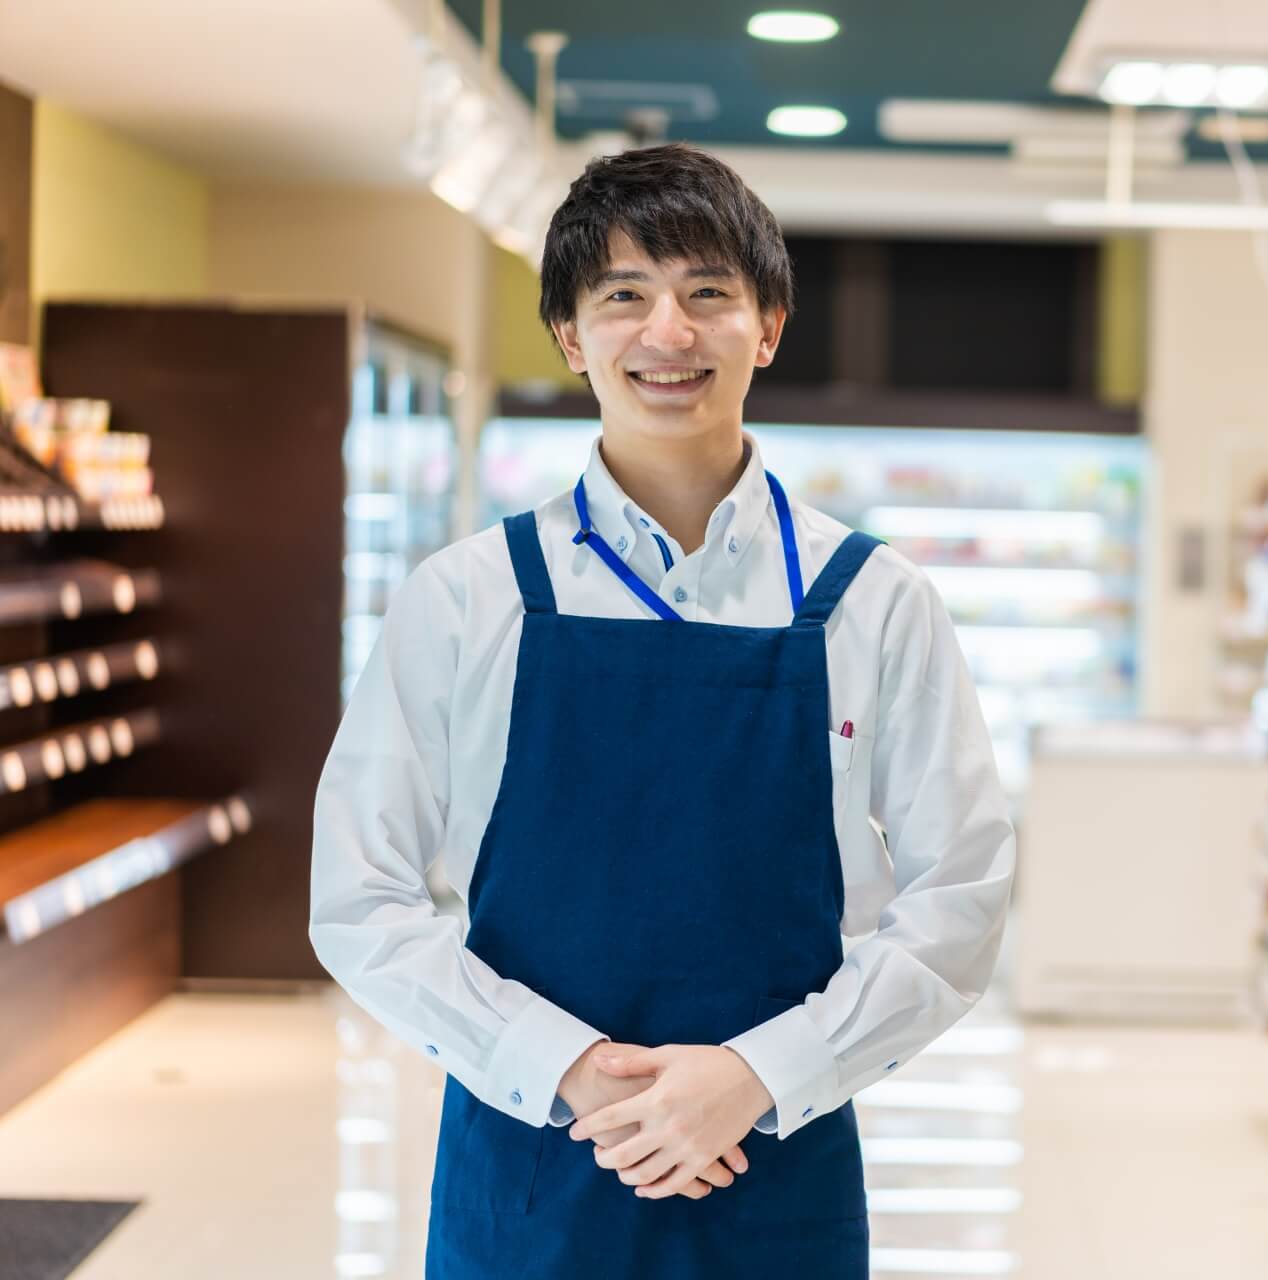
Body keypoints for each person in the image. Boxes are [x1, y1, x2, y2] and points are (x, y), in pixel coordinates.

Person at [310, 143, 1015, 1278]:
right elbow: (359, 896)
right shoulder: (467, 598)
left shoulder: (872, 604)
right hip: (533, 1161)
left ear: (769, 327)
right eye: (624, 296)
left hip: (774, 1169)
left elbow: (964, 894)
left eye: (708, 295)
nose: (668, 333)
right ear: (570, 335)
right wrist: (576, 1069)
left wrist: (758, 1075)